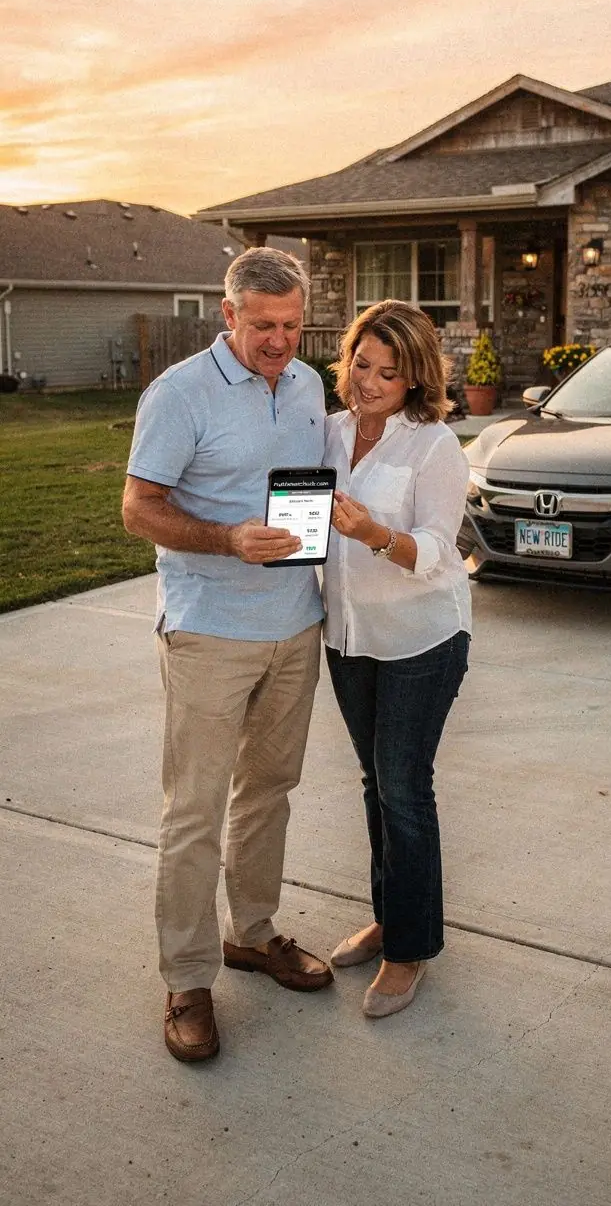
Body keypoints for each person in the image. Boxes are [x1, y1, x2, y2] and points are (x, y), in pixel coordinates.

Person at [122, 247, 333, 1064]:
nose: (280, 341)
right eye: (263, 326)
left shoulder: (309, 384)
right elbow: (138, 508)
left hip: (295, 624)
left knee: (270, 791)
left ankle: (253, 934)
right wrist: (223, 538)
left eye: (292, 325)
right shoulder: (179, 394)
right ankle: (186, 976)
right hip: (210, 631)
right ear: (228, 314)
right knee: (194, 810)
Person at [322, 300, 471, 1018]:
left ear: (415, 378)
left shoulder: (434, 445)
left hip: (422, 639)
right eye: (361, 363)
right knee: (373, 783)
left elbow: (438, 549)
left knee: (404, 786)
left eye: (388, 371)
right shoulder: (330, 432)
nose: (369, 381)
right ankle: (392, 917)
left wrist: (377, 532)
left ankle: (410, 950)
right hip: (348, 637)